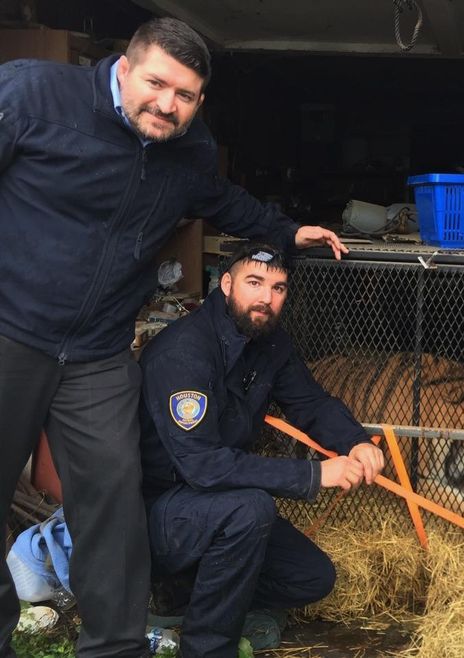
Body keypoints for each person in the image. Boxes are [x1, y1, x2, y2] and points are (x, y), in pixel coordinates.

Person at [0, 17, 348, 658]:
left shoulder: (187, 148)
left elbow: (222, 199)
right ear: (123, 68)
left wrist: (287, 231)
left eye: (185, 95)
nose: (167, 104)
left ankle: (114, 648)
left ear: (199, 101)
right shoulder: (30, 96)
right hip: (12, 332)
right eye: (157, 84)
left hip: (99, 353)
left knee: (112, 507)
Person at [138, 242, 385, 657]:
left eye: (279, 288)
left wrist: (354, 441)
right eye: (255, 283)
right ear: (227, 284)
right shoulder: (184, 353)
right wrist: (314, 474)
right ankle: (206, 647)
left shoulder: (269, 342)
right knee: (251, 510)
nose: (266, 298)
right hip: (161, 513)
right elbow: (201, 465)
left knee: (311, 577)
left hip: (218, 503)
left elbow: (310, 402)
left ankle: (183, 596)